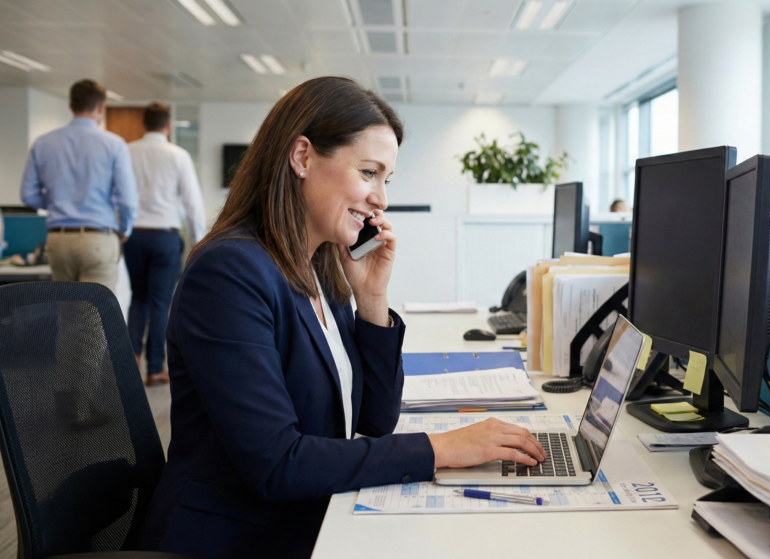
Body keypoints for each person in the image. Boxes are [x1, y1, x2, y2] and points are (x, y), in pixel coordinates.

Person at [138, 77, 547, 558]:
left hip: (308, 516)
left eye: (386, 180)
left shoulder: (319, 267)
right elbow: (277, 463)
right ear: (303, 157)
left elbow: (375, 421)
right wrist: (442, 448)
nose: (382, 199)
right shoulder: (229, 273)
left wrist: (371, 297)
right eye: (369, 172)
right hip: (238, 538)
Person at [20, 79, 137, 292]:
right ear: (101, 107)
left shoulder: (43, 143)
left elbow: (28, 195)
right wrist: (125, 229)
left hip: (58, 241)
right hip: (98, 239)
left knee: (67, 311)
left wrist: (58, 202)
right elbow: (127, 199)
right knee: (96, 314)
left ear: (71, 106)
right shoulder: (113, 144)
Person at [125, 102, 207, 386]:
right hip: (164, 237)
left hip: (133, 235)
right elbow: (192, 202)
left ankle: (131, 358)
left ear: (143, 123)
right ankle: (156, 368)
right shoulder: (178, 155)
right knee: (161, 303)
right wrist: (199, 240)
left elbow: (118, 195)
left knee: (139, 297)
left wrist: (121, 229)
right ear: (168, 125)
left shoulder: (128, 151)